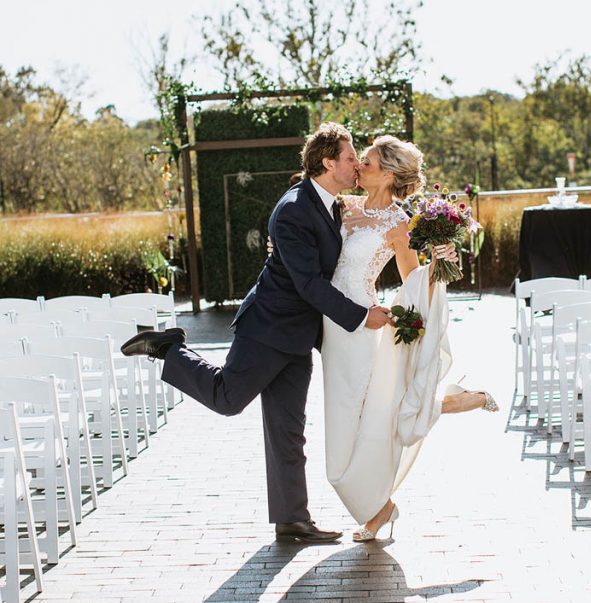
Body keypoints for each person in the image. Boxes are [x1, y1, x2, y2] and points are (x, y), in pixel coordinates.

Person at [120, 123, 390, 544]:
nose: (356, 164)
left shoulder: (331, 204)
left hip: (298, 337)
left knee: (288, 429)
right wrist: (360, 315)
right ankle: (171, 350)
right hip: (267, 327)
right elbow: (309, 285)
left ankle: (292, 519)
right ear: (327, 162)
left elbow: (381, 214)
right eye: (351, 157)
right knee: (228, 399)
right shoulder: (293, 209)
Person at [320, 134, 497, 542]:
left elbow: (412, 278)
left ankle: (377, 510)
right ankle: (379, 506)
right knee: (346, 422)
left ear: (387, 173)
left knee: (381, 412)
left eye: (366, 161)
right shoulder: (342, 207)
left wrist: (441, 265)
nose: (358, 166)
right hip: (332, 327)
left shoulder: (399, 223)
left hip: (365, 323)